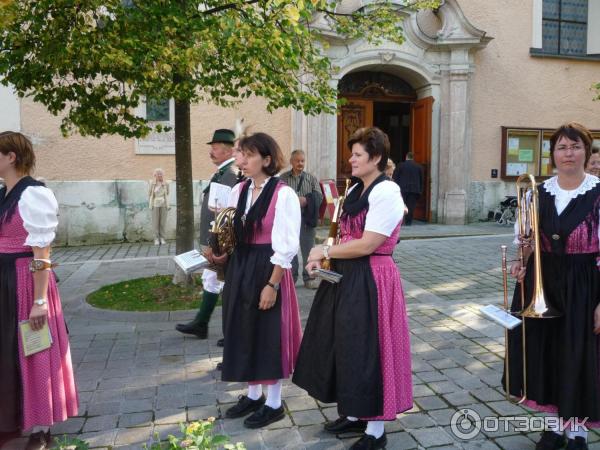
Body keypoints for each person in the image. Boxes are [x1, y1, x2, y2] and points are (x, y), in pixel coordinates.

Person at [293, 127, 412, 450]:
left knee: (369, 351)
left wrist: (324, 251)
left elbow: (369, 244)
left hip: (373, 278)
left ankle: (375, 430)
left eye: (357, 154)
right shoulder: (357, 188)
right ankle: (354, 411)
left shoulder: (387, 192)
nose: (351, 159)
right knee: (346, 347)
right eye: (352, 153)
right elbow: (344, 236)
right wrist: (324, 258)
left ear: (375, 158)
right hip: (348, 276)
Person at [505, 122, 600, 450]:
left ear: (586, 151)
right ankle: (552, 427)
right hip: (540, 282)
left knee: (579, 355)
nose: (568, 153)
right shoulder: (536, 192)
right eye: (561, 147)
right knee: (543, 351)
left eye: (575, 146)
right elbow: (526, 240)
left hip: (586, 284)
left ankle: (577, 432)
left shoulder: (599, 192)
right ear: (553, 155)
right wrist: (521, 261)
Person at [0, 131, 78, 450]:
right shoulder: (5, 193)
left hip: (24, 280)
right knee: (7, 352)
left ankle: (42, 427)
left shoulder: (33, 194)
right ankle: (10, 420)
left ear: (11, 157)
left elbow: (42, 253)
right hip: (4, 277)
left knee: (33, 349)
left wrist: (40, 300)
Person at [219, 132, 302, 429]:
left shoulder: (283, 194)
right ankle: (253, 394)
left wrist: (272, 284)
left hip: (268, 267)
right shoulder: (239, 191)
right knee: (243, 328)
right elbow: (231, 231)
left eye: (249, 155)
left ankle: (274, 402)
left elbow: (287, 246)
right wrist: (221, 256)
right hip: (241, 266)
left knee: (268, 334)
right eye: (242, 155)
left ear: (266, 160)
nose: (241, 160)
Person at [175, 129, 239, 339]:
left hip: (220, 240)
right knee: (212, 279)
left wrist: (215, 243)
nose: (211, 152)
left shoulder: (229, 174)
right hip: (214, 239)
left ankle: (229, 332)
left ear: (228, 151)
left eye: (215, 148)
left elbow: (225, 212)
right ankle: (202, 324)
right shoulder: (222, 172)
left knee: (225, 283)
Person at [280, 149, 323, 287]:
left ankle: (309, 278)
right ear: (291, 162)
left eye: (302, 161)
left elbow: (319, 197)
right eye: (297, 160)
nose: (300, 163)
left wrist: (306, 200)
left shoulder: (311, 178)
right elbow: (277, 196)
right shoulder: (283, 178)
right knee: (290, 250)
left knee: (308, 250)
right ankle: (291, 278)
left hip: (306, 219)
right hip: (289, 219)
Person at [392, 151, 423, 225]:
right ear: (413, 158)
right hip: (414, 190)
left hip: (402, 189)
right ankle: (409, 222)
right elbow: (421, 180)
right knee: (410, 207)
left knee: (400, 206)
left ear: (406, 157)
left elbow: (395, 177)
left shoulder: (400, 165)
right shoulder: (419, 167)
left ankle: (400, 222)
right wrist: (420, 190)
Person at [148, 168, 169, 245]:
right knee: (155, 222)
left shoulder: (166, 183)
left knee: (162, 222)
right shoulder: (152, 184)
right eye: (158, 174)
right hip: (155, 204)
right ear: (155, 175)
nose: (159, 175)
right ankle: (156, 238)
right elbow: (149, 193)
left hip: (163, 204)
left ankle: (162, 238)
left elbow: (167, 193)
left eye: (161, 174)